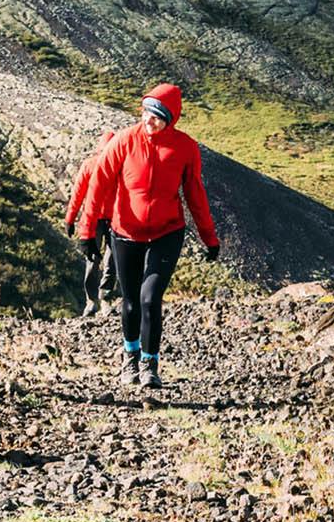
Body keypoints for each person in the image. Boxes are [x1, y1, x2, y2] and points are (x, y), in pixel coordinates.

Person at [78, 84, 219, 389]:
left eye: (157, 116)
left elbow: (195, 193)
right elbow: (98, 184)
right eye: (146, 113)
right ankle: (130, 358)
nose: (149, 120)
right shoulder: (124, 141)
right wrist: (86, 230)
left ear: (171, 119)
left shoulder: (184, 147)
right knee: (130, 302)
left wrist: (209, 238)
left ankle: (150, 366)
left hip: (167, 232)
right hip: (126, 232)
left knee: (150, 299)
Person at [62, 148, 118, 319]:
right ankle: (101, 300)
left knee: (96, 260)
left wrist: (70, 219)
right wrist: (69, 219)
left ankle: (95, 301)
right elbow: (78, 193)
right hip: (103, 219)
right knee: (108, 259)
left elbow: (77, 194)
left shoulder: (98, 164)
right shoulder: (96, 165)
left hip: (107, 219)